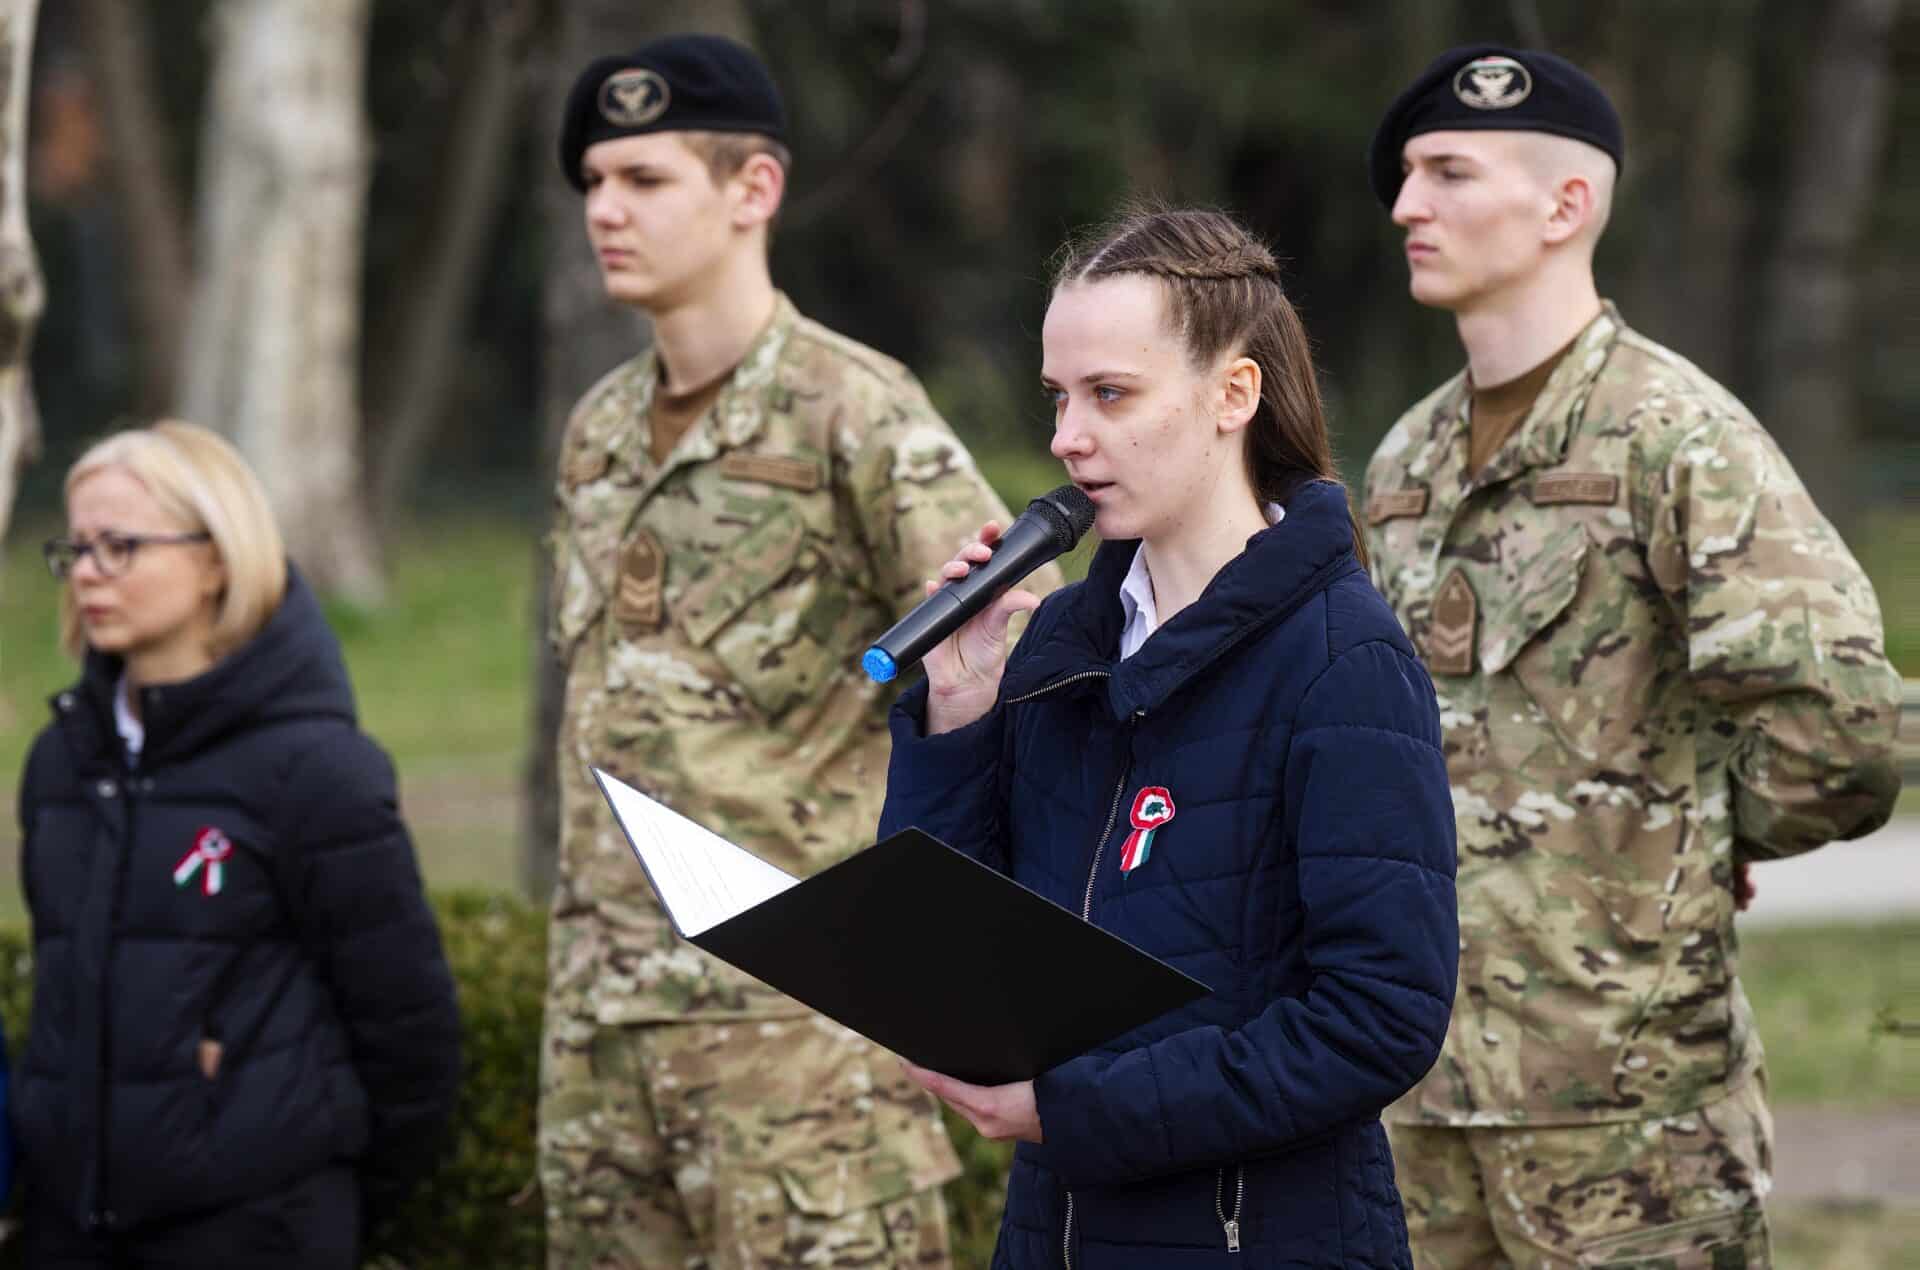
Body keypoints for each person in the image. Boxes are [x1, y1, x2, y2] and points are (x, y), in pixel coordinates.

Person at [1361, 45, 1904, 1269]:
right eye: (1407, 175)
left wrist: (1688, 835)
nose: (1406, 206)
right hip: (1419, 1100)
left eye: (1448, 173)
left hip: (1626, 1110)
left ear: (1567, 205)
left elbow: (1845, 729)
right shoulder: (1406, 462)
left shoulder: (1676, 437)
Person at [537, 33, 1058, 1269]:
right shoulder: (598, 430)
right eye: (594, 182)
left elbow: (1015, 648)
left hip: (799, 1049)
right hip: (603, 1033)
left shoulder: (854, 412)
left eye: (645, 179)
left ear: (753, 189)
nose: (605, 209)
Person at [878, 205, 1459, 1268]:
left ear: (1234, 395)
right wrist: (955, 707)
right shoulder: (1056, 644)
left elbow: (1378, 1019)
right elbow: (954, 947)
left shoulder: (1344, 659)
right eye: (1058, 396)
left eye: (1110, 394)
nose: (1067, 436)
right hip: (1053, 1236)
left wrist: (1075, 1108)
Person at [11, 421, 462, 1267]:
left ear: (217, 558)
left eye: (121, 546)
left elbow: (410, 1034)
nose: (88, 573)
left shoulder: (316, 771)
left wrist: (311, 1204)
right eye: (75, 549)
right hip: (69, 1236)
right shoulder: (61, 765)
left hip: (256, 1233)